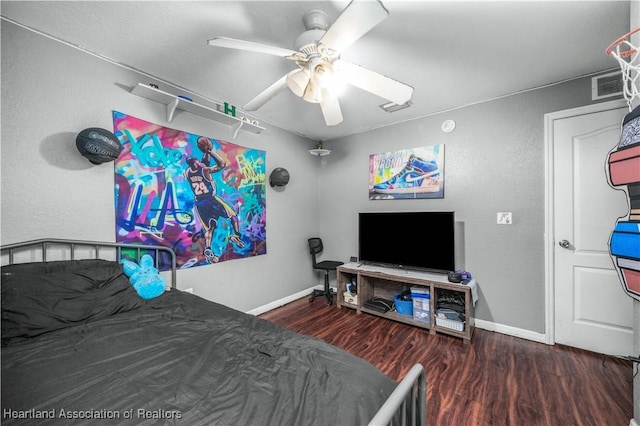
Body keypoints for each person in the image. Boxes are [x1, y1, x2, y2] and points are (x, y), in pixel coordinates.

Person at [184, 137, 245, 263]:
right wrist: (211, 151)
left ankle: (208, 248)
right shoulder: (205, 170)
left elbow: (203, 163)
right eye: (198, 162)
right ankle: (236, 236)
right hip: (211, 199)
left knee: (210, 228)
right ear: (196, 164)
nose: (200, 163)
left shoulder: (187, 172)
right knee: (233, 216)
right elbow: (221, 164)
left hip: (200, 203)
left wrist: (205, 152)